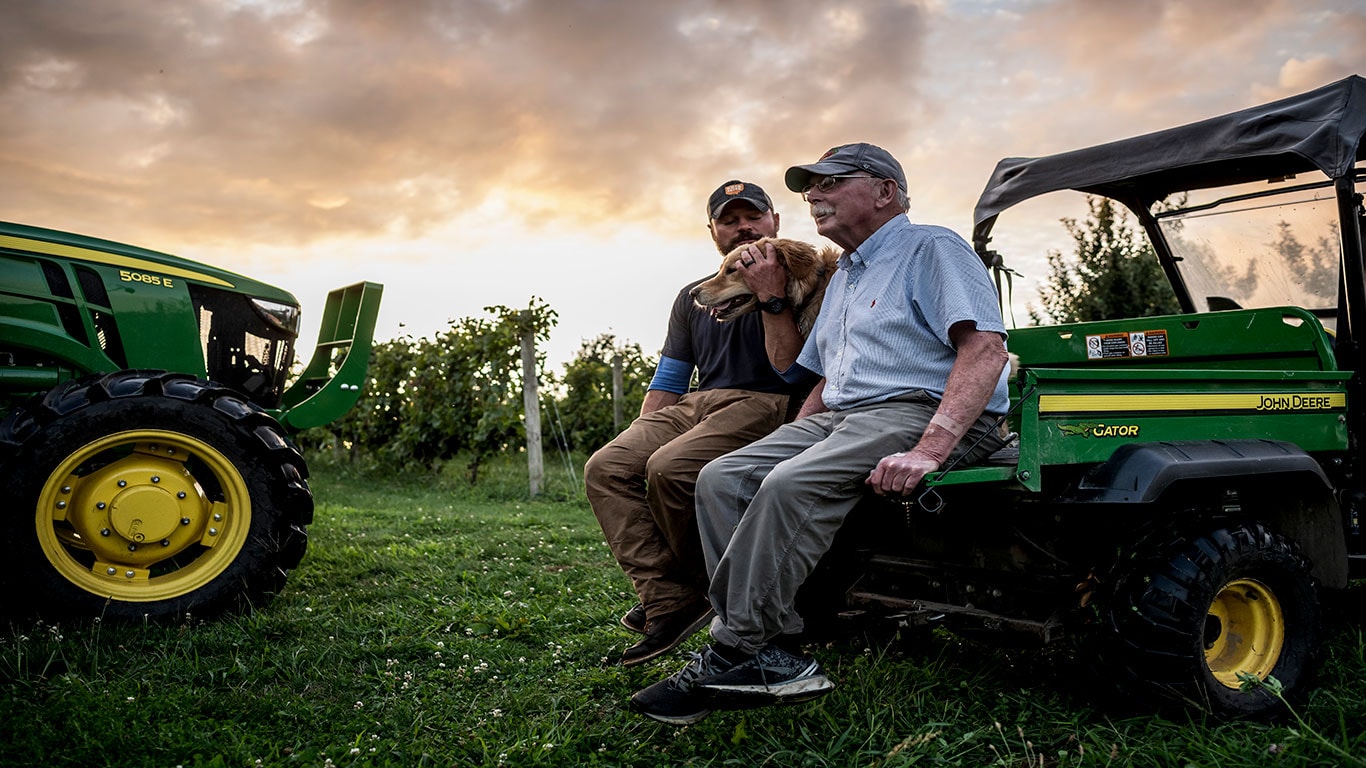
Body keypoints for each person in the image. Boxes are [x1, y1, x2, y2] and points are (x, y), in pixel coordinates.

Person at [630, 143, 1012, 725]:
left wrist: (932, 448)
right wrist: (802, 433)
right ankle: (777, 646)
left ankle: (734, 649)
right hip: (845, 413)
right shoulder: (846, 275)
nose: (814, 194)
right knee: (722, 476)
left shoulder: (931, 247)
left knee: (787, 483)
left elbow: (984, 349)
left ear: (885, 191)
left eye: (832, 181)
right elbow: (827, 377)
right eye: (810, 185)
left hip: (918, 409)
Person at [584, 180, 809, 667]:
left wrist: (771, 293)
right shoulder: (694, 297)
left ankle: (713, 592)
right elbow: (669, 378)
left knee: (671, 468)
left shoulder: (800, 280)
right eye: (729, 220)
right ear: (712, 231)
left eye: (753, 217)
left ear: (776, 222)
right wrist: (637, 439)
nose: (742, 227)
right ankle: (670, 598)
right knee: (607, 466)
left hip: (765, 400)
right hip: (698, 400)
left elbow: (795, 370)